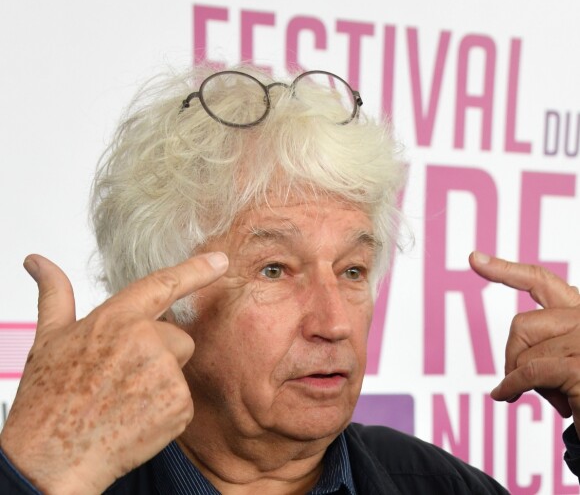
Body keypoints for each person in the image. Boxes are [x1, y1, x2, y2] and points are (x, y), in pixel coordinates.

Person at [1, 66, 580, 494]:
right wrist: (32, 474)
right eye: (274, 270)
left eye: (352, 270)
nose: (333, 324)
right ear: (161, 296)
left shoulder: (442, 488)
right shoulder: (60, 481)